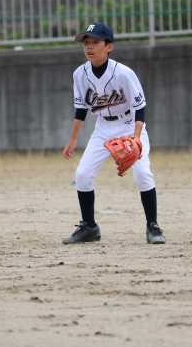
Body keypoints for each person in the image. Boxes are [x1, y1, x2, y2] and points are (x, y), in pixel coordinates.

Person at [61, 22, 166, 245]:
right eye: (86, 43)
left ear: (109, 47)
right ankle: (89, 227)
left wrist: (136, 137)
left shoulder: (123, 74)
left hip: (129, 125)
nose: (89, 47)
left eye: (95, 42)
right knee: (82, 175)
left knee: (142, 174)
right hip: (102, 128)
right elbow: (81, 108)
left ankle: (153, 226)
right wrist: (73, 139)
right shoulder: (80, 74)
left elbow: (140, 107)